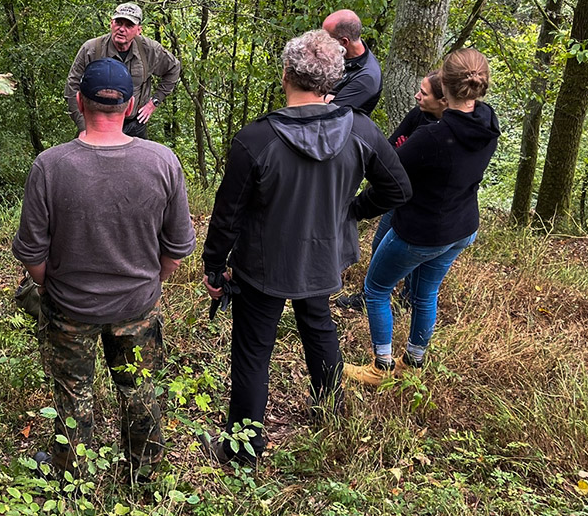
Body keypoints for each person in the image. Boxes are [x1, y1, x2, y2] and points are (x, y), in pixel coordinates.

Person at [201, 30, 410, 464]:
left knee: (253, 350)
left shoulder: (256, 139)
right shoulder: (361, 130)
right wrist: (349, 212)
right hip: (322, 257)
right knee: (319, 328)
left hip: (263, 263)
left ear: (286, 75)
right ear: (332, 81)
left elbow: (228, 215)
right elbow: (397, 188)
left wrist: (214, 265)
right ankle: (331, 415)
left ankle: (241, 451)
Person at [13, 58, 196, 481]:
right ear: (130, 106)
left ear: (80, 102)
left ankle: (71, 475)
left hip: (69, 307)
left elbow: (33, 254)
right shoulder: (162, 161)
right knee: (140, 390)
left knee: (73, 394)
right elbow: (176, 249)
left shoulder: (50, 166)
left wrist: (48, 287)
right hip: (138, 304)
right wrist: (150, 283)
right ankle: (144, 473)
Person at [344, 49, 499, 385]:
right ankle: (414, 362)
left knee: (376, 289)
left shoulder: (433, 136)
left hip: (424, 231)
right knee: (426, 293)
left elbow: (389, 179)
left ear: (445, 85)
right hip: (462, 227)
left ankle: (381, 368)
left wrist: (353, 209)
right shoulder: (487, 121)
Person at [336, 71, 448, 312]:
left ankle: (406, 299)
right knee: (380, 246)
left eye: (424, 93)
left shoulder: (448, 131)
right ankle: (369, 295)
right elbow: (389, 152)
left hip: (424, 206)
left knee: (417, 259)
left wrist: (405, 154)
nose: (417, 95)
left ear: (443, 101)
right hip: (397, 196)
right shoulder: (417, 115)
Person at [65, 2, 182, 138]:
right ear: (111, 23)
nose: (122, 29)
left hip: (134, 125)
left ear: (139, 30)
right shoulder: (92, 49)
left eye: (129, 25)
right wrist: (83, 126)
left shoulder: (149, 50)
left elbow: (174, 68)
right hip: (95, 124)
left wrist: (154, 102)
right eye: (118, 23)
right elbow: (72, 85)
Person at [322, 9, 382, 116]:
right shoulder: (338, 52)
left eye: (326, 38)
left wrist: (319, 97)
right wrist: (326, 98)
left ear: (344, 41)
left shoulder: (367, 77)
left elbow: (330, 113)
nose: (322, 42)